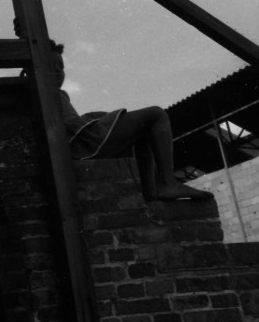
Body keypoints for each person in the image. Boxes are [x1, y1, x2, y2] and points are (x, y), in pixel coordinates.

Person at [14, 22, 214, 201]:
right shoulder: (41, 89)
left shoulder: (58, 95)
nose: (58, 71)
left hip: (81, 140)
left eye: (61, 67)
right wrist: (25, 35)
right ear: (37, 69)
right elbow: (32, 55)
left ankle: (152, 190)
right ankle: (167, 183)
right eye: (52, 66)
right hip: (81, 143)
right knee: (156, 114)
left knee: (141, 131)